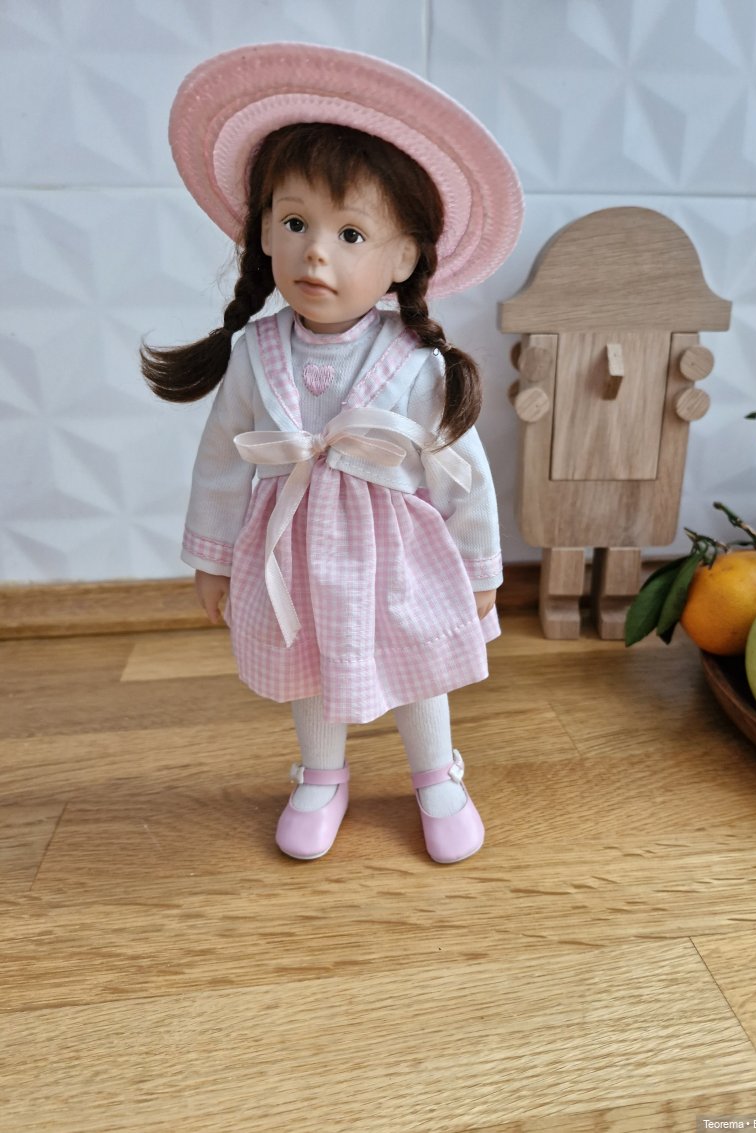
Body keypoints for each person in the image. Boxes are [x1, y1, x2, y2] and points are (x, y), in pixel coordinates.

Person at [141, 44, 523, 863]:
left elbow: (463, 474)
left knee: (416, 662)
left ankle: (436, 773)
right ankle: (321, 773)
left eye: (351, 232)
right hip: (291, 544)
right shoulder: (256, 354)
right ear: (263, 232)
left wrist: (479, 568)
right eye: (295, 223)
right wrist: (212, 558)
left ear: (404, 257)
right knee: (303, 655)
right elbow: (222, 462)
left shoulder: (416, 364)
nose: (317, 251)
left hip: (398, 552)